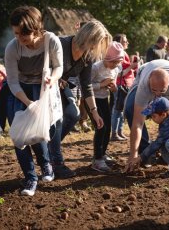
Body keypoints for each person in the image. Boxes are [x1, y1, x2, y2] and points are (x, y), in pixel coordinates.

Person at [5, 6, 63, 196]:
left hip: (43, 87)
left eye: (23, 33)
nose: (19, 38)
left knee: (40, 131)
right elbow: (12, 81)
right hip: (20, 91)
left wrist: (52, 79)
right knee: (19, 135)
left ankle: (45, 163)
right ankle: (30, 177)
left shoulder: (51, 41)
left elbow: (59, 67)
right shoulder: (13, 47)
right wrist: (29, 103)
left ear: (35, 28)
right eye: (16, 33)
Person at [48, 19, 112, 178]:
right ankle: (56, 162)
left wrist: (94, 112)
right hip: (45, 85)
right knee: (57, 119)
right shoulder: (60, 44)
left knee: (73, 114)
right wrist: (55, 78)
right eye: (98, 44)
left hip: (61, 87)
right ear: (90, 38)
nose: (97, 50)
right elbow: (43, 66)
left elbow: (86, 85)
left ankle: (49, 148)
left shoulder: (87, 57)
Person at [124, 59, 169, 172]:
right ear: (149, 81)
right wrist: (134, 155)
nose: (157, 94)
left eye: (162, 91)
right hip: (145, 70)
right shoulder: (145, 86)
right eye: (154, 90)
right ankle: (146, 153)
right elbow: (137, 123)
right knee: (130, 109)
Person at [90, 42, 125, 172]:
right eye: (113, 63)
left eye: (117, 63)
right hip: (93, 101)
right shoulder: (96, 68)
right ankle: (97, 159)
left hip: (105, 99)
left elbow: (114, 85)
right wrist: (101, 84)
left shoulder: (116, 68)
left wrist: (114, 88)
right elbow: (86, 87)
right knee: (101, 127)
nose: (115, 66)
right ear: (106, 58)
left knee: (108, 127)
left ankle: (103, 153)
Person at [111, 33, 138, 141]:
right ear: (119, 43)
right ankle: (114, 133)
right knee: (117, 109)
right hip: (120, 84)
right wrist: (131, 66)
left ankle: (119, 131)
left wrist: (133, 66)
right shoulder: (118, 54)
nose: (127, 42)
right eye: (125, 41)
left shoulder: (124, 53)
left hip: (126, 84)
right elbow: (118, 73)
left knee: (121, 109)